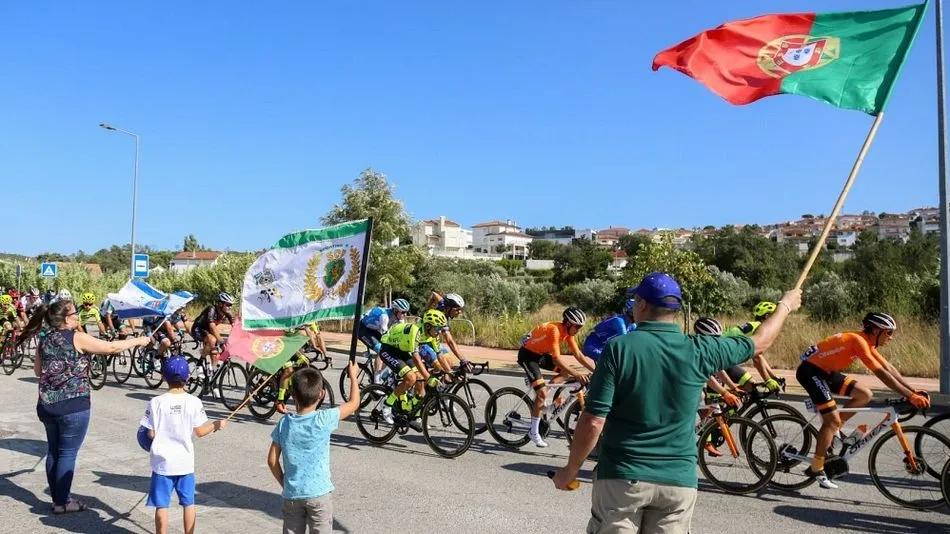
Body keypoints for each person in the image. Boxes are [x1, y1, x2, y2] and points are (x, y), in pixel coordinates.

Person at [553, 272, 802, 533]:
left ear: (641, 304)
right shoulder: (700, 349)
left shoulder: (618, 348)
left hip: (623, 478)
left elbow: (593, 420)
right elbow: (760, 342)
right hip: (677, 482)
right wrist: (785, 305)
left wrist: (571, 470)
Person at [16, 299, 150, 514]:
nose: (78, 316)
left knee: (54, 451)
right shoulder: (76, 337)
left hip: (47, 404)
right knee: (67, 453)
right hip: (73, 405)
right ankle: (62, 502)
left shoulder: (45, 339)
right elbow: (110, 347)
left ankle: (59, 499)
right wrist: (139, 340)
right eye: (74, 313)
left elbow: (38, 372)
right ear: (66, 318)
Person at [795, 312, 930, 489]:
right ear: (876, 331)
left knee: (865, 394)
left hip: (825, 372)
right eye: (889, 332)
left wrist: (913, 391)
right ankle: (817, 467)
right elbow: (880, 373)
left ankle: (833, 433)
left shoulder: (866, 342)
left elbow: (888, 368)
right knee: (831, 421)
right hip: (810, 372)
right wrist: (911, 397)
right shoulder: (858, 341)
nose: (891, 337)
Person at [267, 363, 361, 534]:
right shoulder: (323, 419)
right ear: (321, 394)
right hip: (319, 493)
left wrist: (285, 483)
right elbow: (354, 403)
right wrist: (353, 376)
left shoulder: (284, 423)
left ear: (292, 394)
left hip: (292, 494)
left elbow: (272, 460)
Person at [139, 355, 228, 534]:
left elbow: (150, 433)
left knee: (162, 505)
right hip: (184, 462)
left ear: (164, 377)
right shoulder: (194, 402)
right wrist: (216, 425)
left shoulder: (156, 402)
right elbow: (200, 431)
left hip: (162, 464)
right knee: (189, 503)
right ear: (188, 378)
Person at [518, 306, 595, 448]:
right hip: (527, 356)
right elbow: (557, 359)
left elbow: (579, 355)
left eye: (581, 327)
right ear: (568, 323)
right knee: (542, 393)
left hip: (539, 355)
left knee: (565, 374)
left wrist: (597, 371)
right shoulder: (555, 330)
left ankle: (541, 396)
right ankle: (533, 432)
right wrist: (577, 374)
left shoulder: (568, 333)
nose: (579, 330)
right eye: (577, 326)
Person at [377, 309, 455, 429]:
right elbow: (416, 358)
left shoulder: (433, 335)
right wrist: (429, 378)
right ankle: (387, 404)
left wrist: (449, 372)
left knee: (420, 379)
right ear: (428, 326)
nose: (439, 331)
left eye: (441, 328)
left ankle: (411, 411)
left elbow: (439, 355)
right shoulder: (416, 331)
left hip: (402, 350)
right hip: (388, 349)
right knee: (411, 378)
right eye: (437, 328)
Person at [692, 317, 743, 458]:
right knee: (697, 400)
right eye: (714, 338)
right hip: (676, 384)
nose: (717, 342)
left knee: (704, 404)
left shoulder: (708, 348)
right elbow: (706, 376)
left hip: (691, 384)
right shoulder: (696, 350)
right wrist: (725, 393)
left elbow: (719, 370)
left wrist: (733, 387)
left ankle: (704, 439)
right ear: (703, 337)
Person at [723, 301, 784, 393]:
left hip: (726, 359)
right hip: (720, 359)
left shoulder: (754, 325)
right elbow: (756, 359)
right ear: (767, 316)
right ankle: (718, 396)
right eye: (774, 316)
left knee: (750, 385)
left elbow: (759, 355)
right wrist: (767, 380)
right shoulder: (759, 328)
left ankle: (723, 397)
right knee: (749, 386)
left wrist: (773, 377)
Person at [358, 298, 411, 382]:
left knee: (391, 351)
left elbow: (401, 334)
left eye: (406, 312)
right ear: (395, 310)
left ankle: (381, 373)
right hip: (363, 329)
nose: (405, 314)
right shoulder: (384, 316)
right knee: (382, 350)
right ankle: (376, 379)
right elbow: (385, 337)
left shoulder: (400, 319)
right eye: (403, 312)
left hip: (374, 330)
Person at [191, 292, 235, 368]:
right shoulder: (211, 309)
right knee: (212, 340)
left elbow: (235, 326)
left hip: (209, 332)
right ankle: (201, 361)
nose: (230, 307)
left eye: (231, 305)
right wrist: (221, 342)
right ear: (220, 304)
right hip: (198, 329)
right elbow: (212, 327)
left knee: (215, 355)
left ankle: (213, 371)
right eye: (228, 305)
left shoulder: (227, 313)